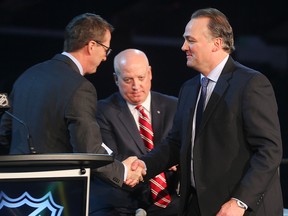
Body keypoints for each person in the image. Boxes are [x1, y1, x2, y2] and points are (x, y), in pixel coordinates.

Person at [129, 7, 283, 216]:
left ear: (216, 43)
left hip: (238, 209)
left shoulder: (251, 84)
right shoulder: (189, 88)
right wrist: (144, 165)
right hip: (196, 206)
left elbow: (269, 150)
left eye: (190, 40)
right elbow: (176, 143)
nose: (183, 47)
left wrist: (240, 202)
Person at [0, 13, 143, 188]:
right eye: (106, 49)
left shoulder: (27, 76)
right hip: (55, 192)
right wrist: (123, 171)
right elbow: (88, 150)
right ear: (91, 46)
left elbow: (4, 133)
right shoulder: (80, 87)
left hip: (12, 191)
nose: (105, 57)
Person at [89, 48, 180, 216]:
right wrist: (163, 162)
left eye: (141, 78)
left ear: (150, 73)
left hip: (171, 200)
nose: (136, 86)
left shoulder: (174, 106)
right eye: (128, 79)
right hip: (124, 200)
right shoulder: (102, 111)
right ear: (116, 79)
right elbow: (111, 159)